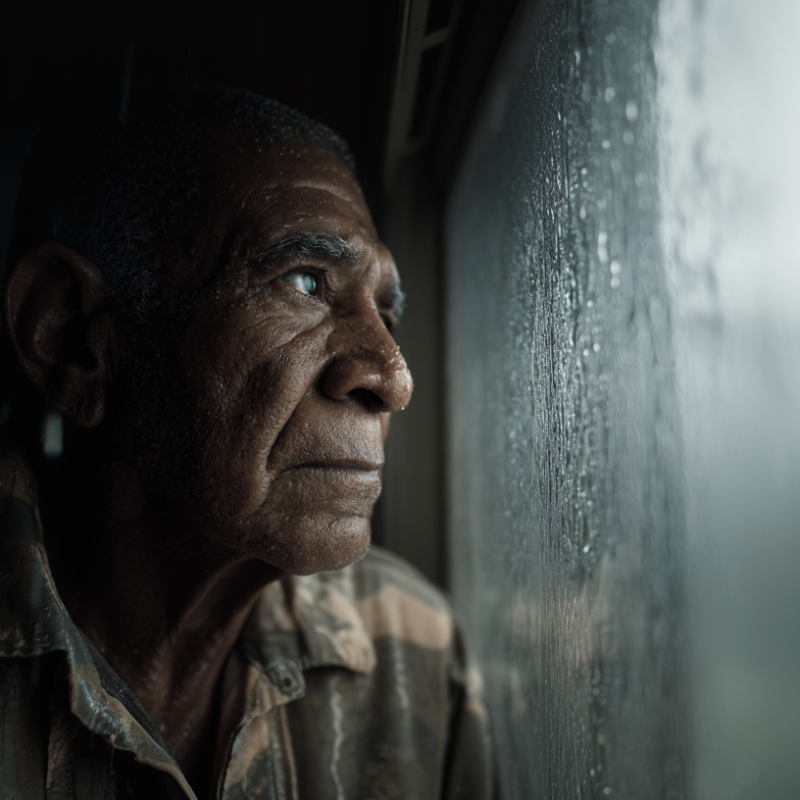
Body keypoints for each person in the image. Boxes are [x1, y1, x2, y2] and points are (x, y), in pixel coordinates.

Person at [0, 86, 494, 799]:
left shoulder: (411, 652)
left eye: (385, 313)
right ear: (72, 338)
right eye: (305, 281)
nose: (393, 378)